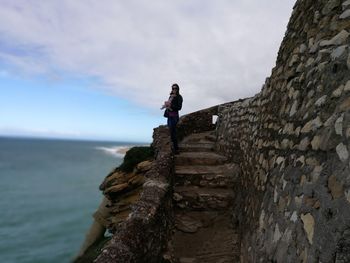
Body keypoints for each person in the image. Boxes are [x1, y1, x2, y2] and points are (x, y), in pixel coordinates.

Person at [163, 83, 183, 154]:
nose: (174, 89)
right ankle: (173, 148)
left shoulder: (179, 97)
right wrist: (166, 106)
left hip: (174, 116)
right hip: (169, 116)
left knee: (173, 132)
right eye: (173, 88)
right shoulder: (170, 96)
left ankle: (176, 149)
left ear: (178, 89)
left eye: (175, 88)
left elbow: (179, 107)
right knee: (170, 132)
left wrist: (171, 106)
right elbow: (168, 104)